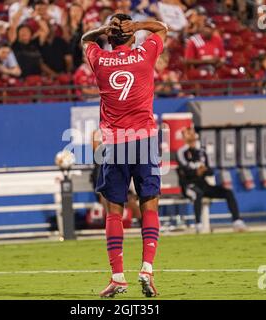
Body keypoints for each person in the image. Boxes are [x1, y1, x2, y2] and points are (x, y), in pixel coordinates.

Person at [82, 14, 167, 298]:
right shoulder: (145, 55)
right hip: (144, 141)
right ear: (132, 37)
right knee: (150, 205)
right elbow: (163, 29)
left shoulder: (100, 61)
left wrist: (102, 30)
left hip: (115, 144)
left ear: (109, 37)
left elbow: (86, 39)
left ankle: (118, 276)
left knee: (114, 210)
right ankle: (146, 269)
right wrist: (140, 26)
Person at [177, 127, 247, 233]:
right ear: (183, 137)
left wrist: (204, 171)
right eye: (187, 133)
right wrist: (196, 172)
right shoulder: (182, 152)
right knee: (197, 193)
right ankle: (198, 225)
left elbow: (210, 170)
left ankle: (237, 221)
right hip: (189, 185)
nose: (191, 135)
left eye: (191, 132)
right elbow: (183, 171)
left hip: (203, 184)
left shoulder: (202, 150)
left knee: (228, 192)